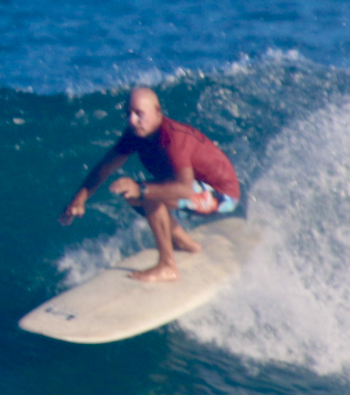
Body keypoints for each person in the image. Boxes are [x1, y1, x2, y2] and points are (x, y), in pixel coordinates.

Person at [57, 86, 241, 284]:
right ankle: (185, 243)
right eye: (129, 114)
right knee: (136, 195)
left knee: (147, 193)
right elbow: (105, 167)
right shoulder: (136, 134)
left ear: (157, 112)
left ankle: (168, 266)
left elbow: (185, 189)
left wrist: (142, 189)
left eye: (139, 114)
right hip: (195, 189)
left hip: (223, 196)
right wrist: (81, 197)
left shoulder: (174, 140)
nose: (132, 120)